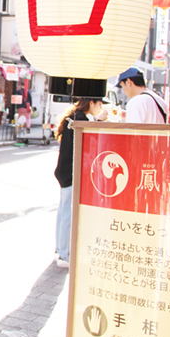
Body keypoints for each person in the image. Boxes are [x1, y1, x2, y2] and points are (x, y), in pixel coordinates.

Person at [53, 97, 107, 268]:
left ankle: (61, 249)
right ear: (91, 103)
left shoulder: (74, 117)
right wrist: (98, 121)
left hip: (64, 171)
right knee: (68, 213)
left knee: (64, 212)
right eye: (99, 104)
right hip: (71, 172)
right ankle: (64, 254)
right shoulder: (80, 120)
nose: (100, 108)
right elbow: (88, 142)